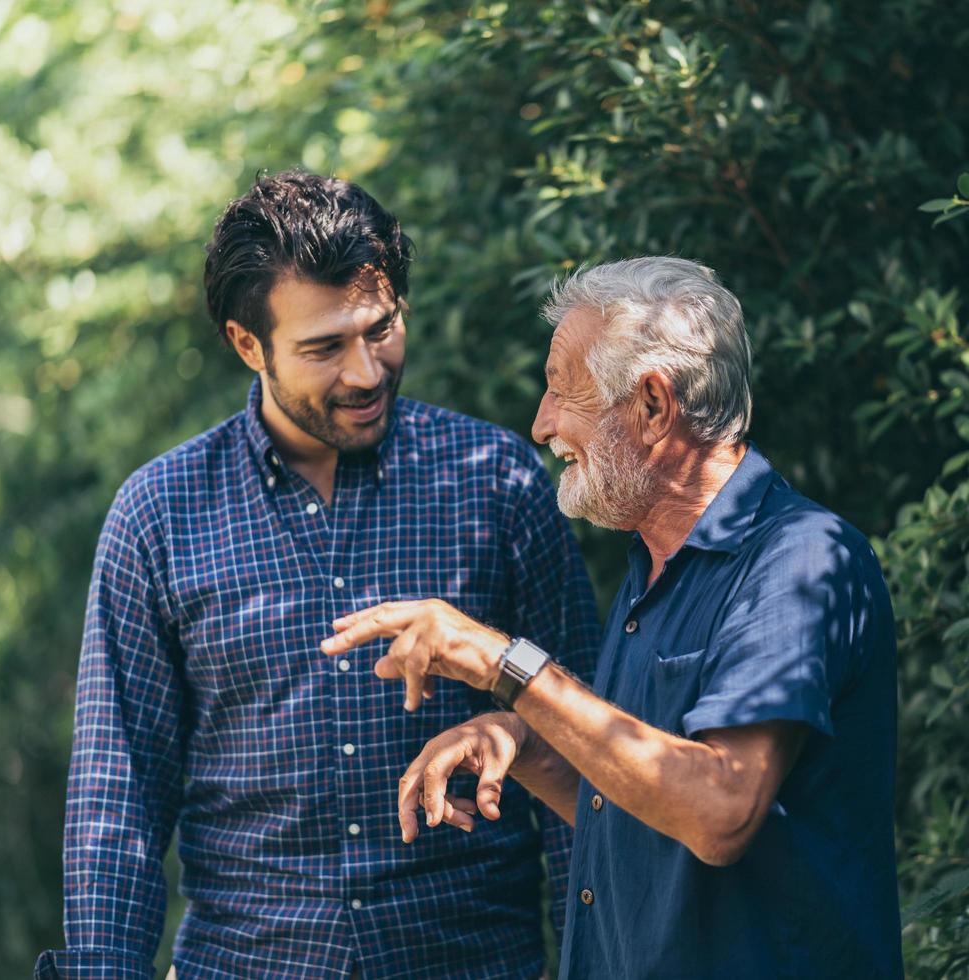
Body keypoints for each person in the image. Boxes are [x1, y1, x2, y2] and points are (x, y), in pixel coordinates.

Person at [36, 171, 600, 979]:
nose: (367, 371)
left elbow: (585, 734)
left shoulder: (495, 481)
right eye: (324, 348)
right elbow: (117, 795)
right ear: (246, 344)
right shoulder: (158, 515)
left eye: (380, 329)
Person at [321, 257, 903, 978]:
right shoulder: (647, 573)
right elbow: (649, 816)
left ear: (654, 407)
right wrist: (530, 750)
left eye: (564, 390)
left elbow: (721, 812)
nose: (541, 423)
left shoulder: (798, 560)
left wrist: (505, 666)